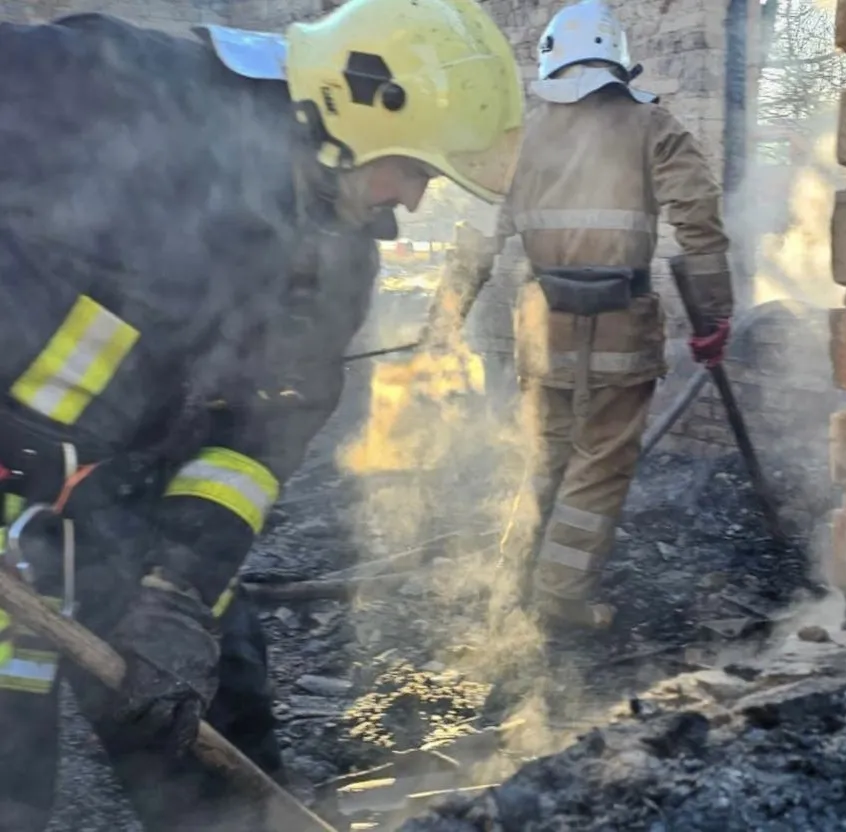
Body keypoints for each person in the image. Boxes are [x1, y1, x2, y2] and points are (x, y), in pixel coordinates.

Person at [0, 0, 522, 829]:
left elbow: (254, 444)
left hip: (129, 499)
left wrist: (176, 593)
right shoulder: (113, 88)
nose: (416, 201)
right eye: (415, 170)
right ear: (353, 110)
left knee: (206, 738)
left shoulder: (338, 261)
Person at [423, 0, 734, 630]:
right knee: (598, 465)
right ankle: (561, 600)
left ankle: (513, 583)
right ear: (617, 57)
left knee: (544, 456)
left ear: (550, 60)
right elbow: (698, 226)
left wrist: (444, 318)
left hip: (543, 330)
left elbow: (479, 234)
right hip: (622, 324)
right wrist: (714, 318)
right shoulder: (653, 125)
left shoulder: (520, 136)